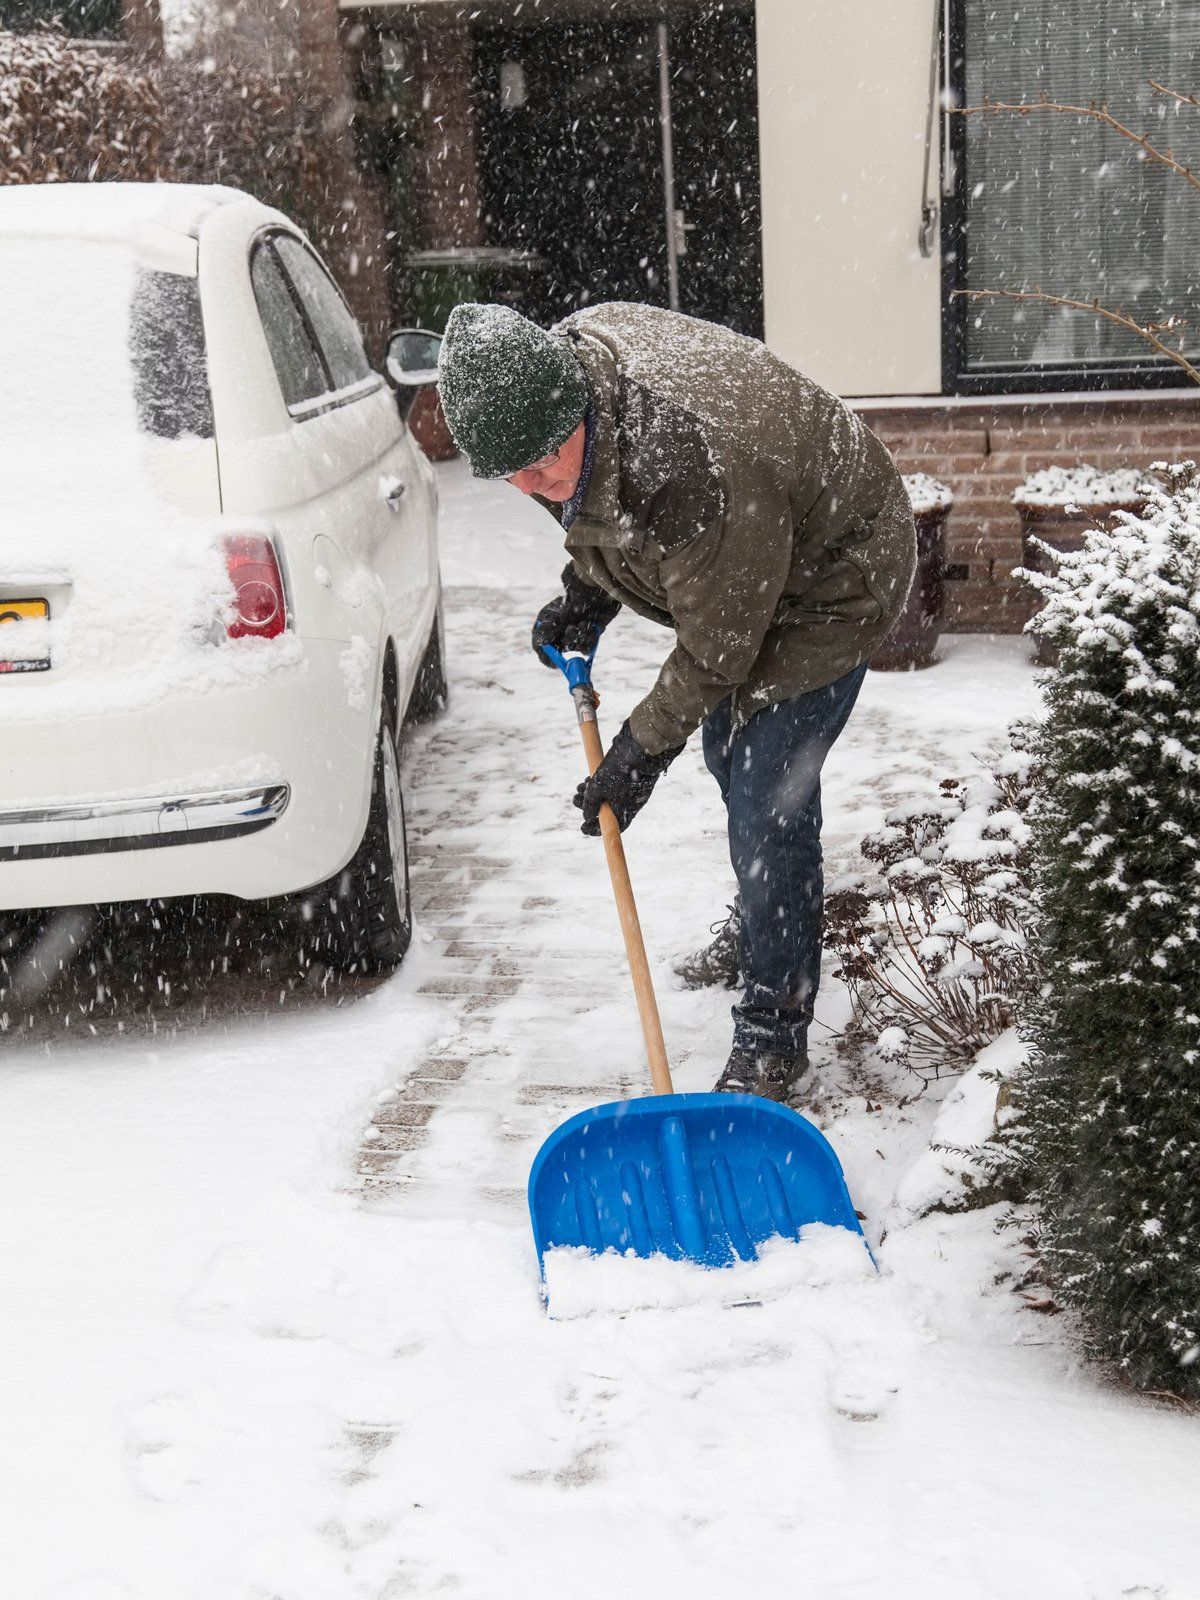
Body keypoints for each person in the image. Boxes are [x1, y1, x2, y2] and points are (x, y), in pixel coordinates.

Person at [437, 301, 916, 1101]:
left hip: (834, 575)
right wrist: (585, 590)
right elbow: (601, 504)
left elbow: (717, 650)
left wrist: (635, 755)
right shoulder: (561, 395)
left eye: (545, 461)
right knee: (730, 753)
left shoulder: (691, 463)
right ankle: (769, 923)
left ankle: (774, 1030)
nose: (534, 486)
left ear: (576, 405)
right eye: (510, 473)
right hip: (753, 555)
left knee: (768, 794)